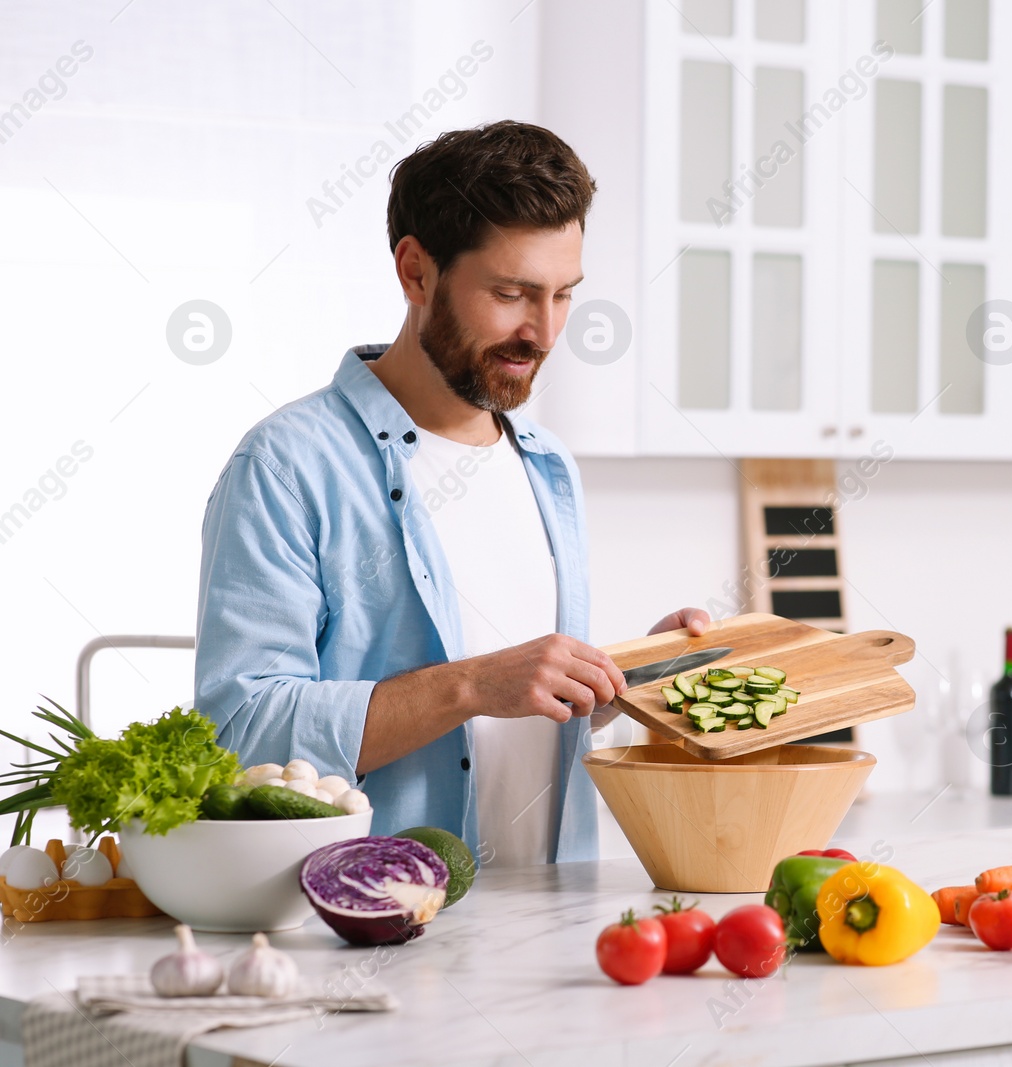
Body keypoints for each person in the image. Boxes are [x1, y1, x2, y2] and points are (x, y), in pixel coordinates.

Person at [195, 121, 708, 865]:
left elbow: (517, 717)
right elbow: (243, 728)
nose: (543, 331)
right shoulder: (286, 465)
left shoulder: (547, 465)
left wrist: (628, 676)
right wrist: (469, 684)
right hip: (379, 929)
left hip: (551, 929)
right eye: (511, 293)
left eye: (563, 295)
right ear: (416, 273)